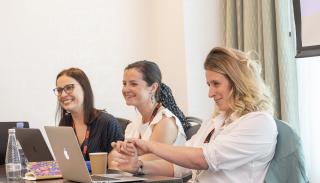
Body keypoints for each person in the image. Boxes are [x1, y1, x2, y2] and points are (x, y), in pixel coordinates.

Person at [111, 47, 278, 183]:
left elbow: (202, 160)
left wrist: (149, 146)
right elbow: (180, 166)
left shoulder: (259, 122)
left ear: (238, 83)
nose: (210, 93)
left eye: (216, 84)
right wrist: (138, 166)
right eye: (208, 85)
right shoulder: (215, 122)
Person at [108, 61, 189, 167]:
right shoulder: (133, 125)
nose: (126, 89)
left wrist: (118, 160)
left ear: (153, 88)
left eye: (133, 84)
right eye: (124, 84)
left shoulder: (166, 122)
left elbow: (147, 162)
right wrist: (114, 157)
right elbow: (115, 160)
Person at [53, 67, 124, 161]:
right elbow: (65, 161)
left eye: (69, 88)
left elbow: (119, 167)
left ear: (84, 88)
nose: (63, 95)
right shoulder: (65, 122)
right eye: (59, 90)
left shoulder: (108, 123)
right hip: (73, 176)